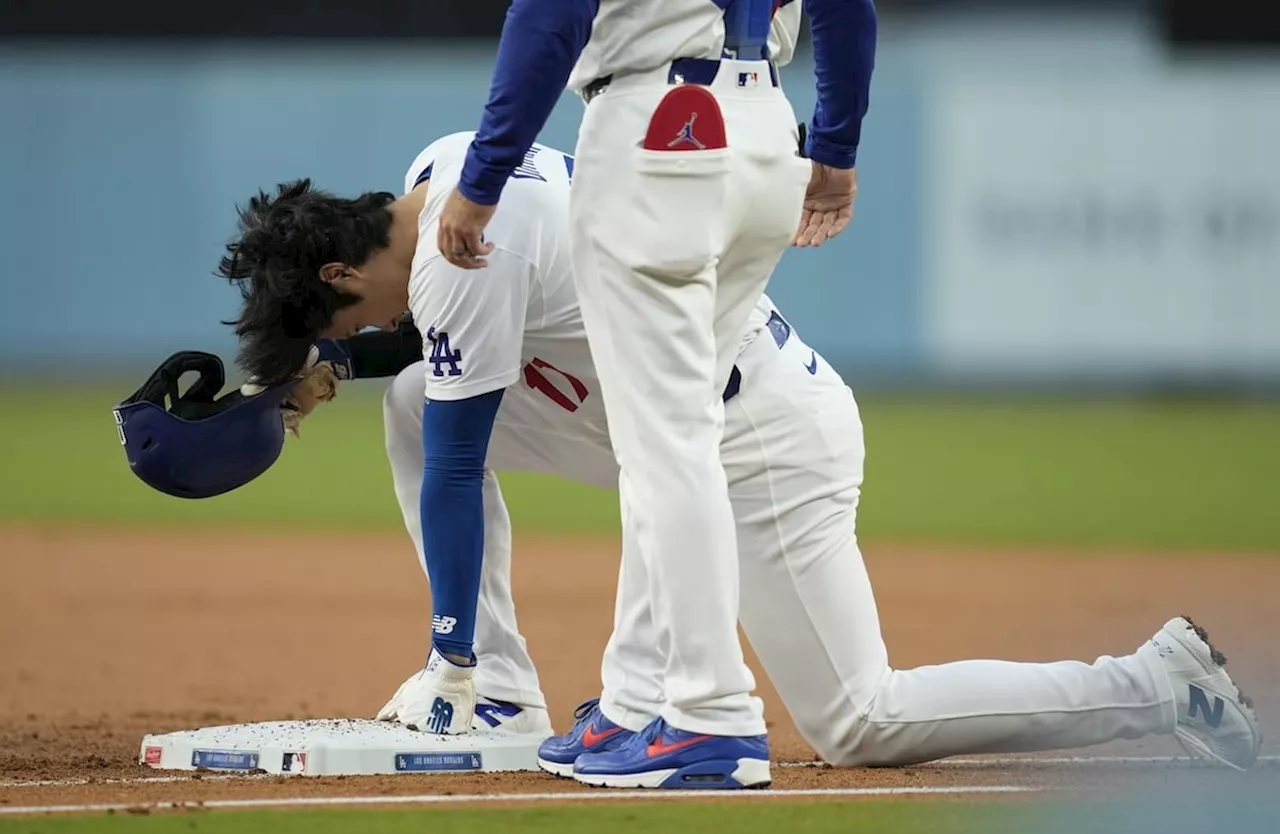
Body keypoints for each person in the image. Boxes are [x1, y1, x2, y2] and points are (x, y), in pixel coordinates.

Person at [199, 131, 1261, 792]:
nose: (359, 322)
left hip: (762, 442)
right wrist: (320, 357)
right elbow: (429, 335)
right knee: (422, 399)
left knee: (857, 720)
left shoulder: (463, 258)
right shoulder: (441, 176)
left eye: (330, 311)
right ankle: (505, 693)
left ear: (341, 266)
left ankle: (1158, 681)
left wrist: (445, 655)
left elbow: (459, 463)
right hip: (666, 422)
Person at [431, 0, 879, 789]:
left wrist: (484, 175)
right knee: (672, 430)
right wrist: (835, 143)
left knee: (665, 439)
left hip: (656, 126)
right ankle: (638, 698)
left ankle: (712, 712)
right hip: (766, 129)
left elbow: (550, 16)